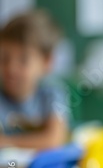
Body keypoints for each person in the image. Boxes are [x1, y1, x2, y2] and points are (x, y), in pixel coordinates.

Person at [0, 9, 69, 150]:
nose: (11, 68)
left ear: (47, 62)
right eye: (4, 58)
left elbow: (54, 140)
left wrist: (6, 142)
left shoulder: (52, 94)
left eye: (23, 60)